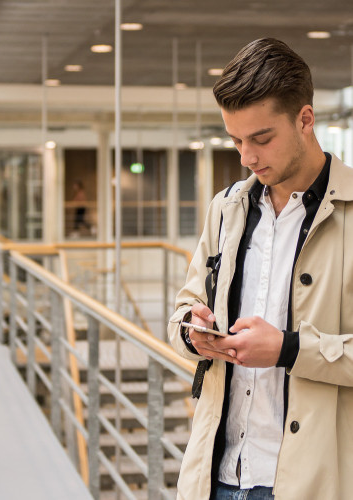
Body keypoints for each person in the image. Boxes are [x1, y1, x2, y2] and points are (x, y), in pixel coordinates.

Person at [168, 38, 353, 500]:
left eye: (261, 138)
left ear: (305, 120)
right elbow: (185, 306)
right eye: (236, 140)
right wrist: (194, 331)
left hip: (309, 481)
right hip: (217, 474)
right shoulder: (226, 208)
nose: (246, 157)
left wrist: (289, 349)